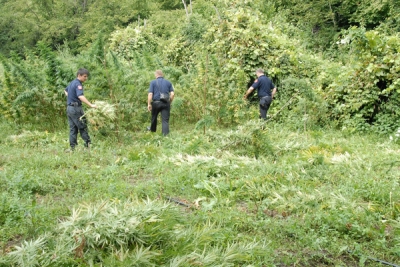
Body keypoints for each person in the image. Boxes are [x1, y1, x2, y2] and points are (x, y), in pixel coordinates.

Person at [64, 68, 96, 150]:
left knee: (73, 128)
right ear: (79, 75)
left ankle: (72, 147)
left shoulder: (72, 83)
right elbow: (80, 96)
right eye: (85, 76)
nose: (86, 78)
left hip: (69, 108)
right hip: (75, 109)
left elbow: (65, 90)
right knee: (82, 126)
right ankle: (88, 145)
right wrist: (91, 105)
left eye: (86, 76)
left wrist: (70, 97)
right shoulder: (78, 84)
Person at [147, 70, 175, 135]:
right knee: (165, 120)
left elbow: (150, 94)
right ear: (162, 75)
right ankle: (165, 135)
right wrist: (169, 101)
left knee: (154, 117)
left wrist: (149, 104)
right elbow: (172, 94)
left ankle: (152, 131)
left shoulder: (153, 82)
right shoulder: (168, 82)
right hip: (165, 103)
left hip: (156, 103)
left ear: (156, 75)